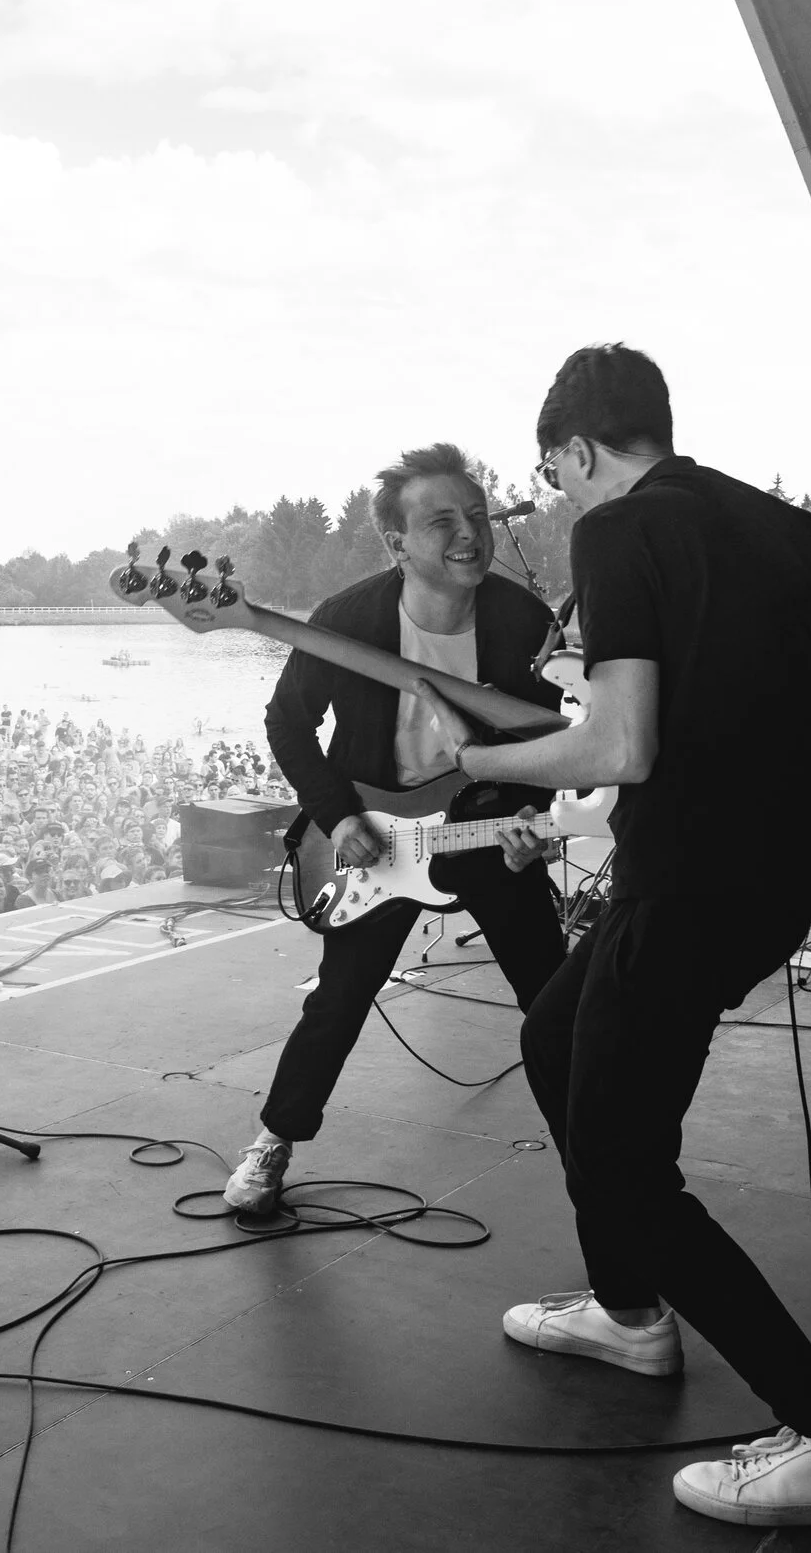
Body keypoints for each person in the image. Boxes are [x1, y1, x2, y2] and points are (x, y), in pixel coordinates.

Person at [424, 344, 811, 1527]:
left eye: (555, 476)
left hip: (686, 890)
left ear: (578, 449)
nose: (560, 499)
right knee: (553, 1038)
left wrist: (477, 757)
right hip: (770, 883)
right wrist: (795, 758)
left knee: (624, 1167)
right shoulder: (777, 521)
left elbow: (618, 746)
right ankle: (627, 1311)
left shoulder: (618, 531)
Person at [223, 442, 567, 1215]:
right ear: (397, 543)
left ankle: (602, 1156)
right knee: (339, 1001)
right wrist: (338, 815)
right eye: (442, 521)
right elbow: (287, 723)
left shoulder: (523, 620)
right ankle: (274, 1140)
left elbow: (548, 738)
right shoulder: (349, 620)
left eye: (476, 515)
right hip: (375, 841)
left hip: (484, 826)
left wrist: (531, 816)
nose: (469, 533)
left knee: (554, 999)